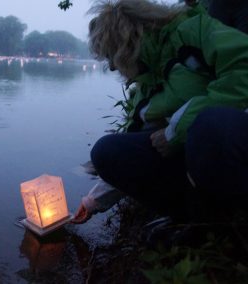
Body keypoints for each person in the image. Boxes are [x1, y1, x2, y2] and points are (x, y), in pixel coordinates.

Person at [72, 0, 248, 224]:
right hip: (197, 165)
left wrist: (175, 130)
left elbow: (243, 70)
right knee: (107, 151)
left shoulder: (194, 31)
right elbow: (132, 145)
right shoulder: (147, 84)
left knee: (209, 124)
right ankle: (200, 220)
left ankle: (234, 214)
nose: (113, 67)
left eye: (110, 56)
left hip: (235, 141)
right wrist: (92, 202)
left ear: (127, 43)